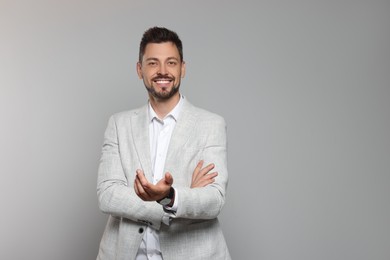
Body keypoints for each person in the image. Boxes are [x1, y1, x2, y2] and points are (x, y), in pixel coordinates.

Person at [96, 26, 231, 260]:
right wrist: (173, 203)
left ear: (183, 68)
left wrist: (169, 195)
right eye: (152, 63)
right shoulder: (119, 124)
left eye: (171, 62)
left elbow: (213, 200)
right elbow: (108, 195)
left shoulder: (211, 124)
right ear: (139, 70)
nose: (162, 71)